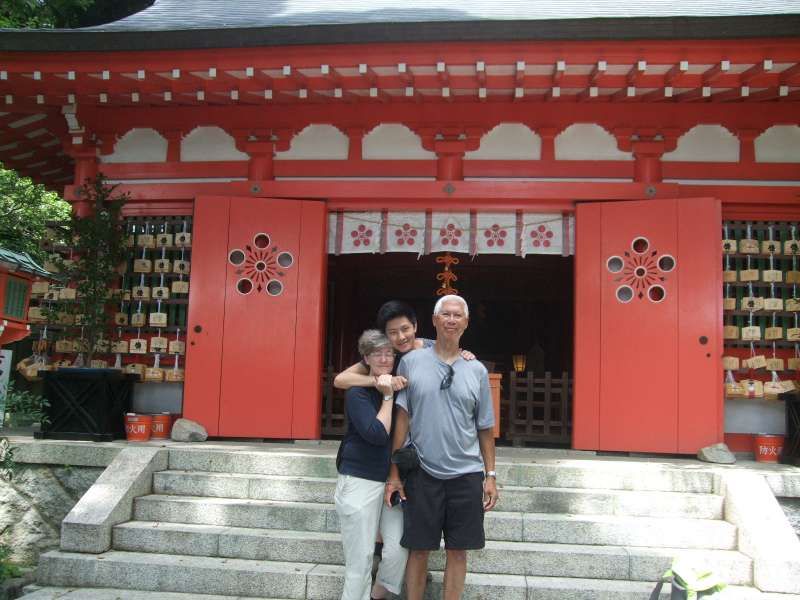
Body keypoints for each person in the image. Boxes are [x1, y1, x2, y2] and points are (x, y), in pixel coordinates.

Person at [384, 295, 498, 600]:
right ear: (434, 321)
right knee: (419, 549)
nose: (451, 319)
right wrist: (394, 473)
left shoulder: (477, 371)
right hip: (422, 471)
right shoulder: (411, 362)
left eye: (457, 315)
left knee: (458, 551)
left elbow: (485, 428)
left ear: (466, 323)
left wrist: (490, 475)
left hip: (466, 474)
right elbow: (402, 423)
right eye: (444, 314)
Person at [335, 329, 408, 600]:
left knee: (399, 547)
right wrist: (387, 396)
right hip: (360, 479)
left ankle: (377, 595)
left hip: (390, 480)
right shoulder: (358, 393)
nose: (385, 358)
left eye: (389, 353)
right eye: (378, 353)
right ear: (366, 358)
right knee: (360, 559)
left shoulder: (400, 382)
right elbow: (377, 434)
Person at [334, 300, 473, 392]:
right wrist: (382, 381)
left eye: (405, 329)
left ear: (415, 326)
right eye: (393, 332)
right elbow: (340, 380)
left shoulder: (433, 347)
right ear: (385, 335)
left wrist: (465, 356)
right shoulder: (386, 355)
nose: (401, 337)